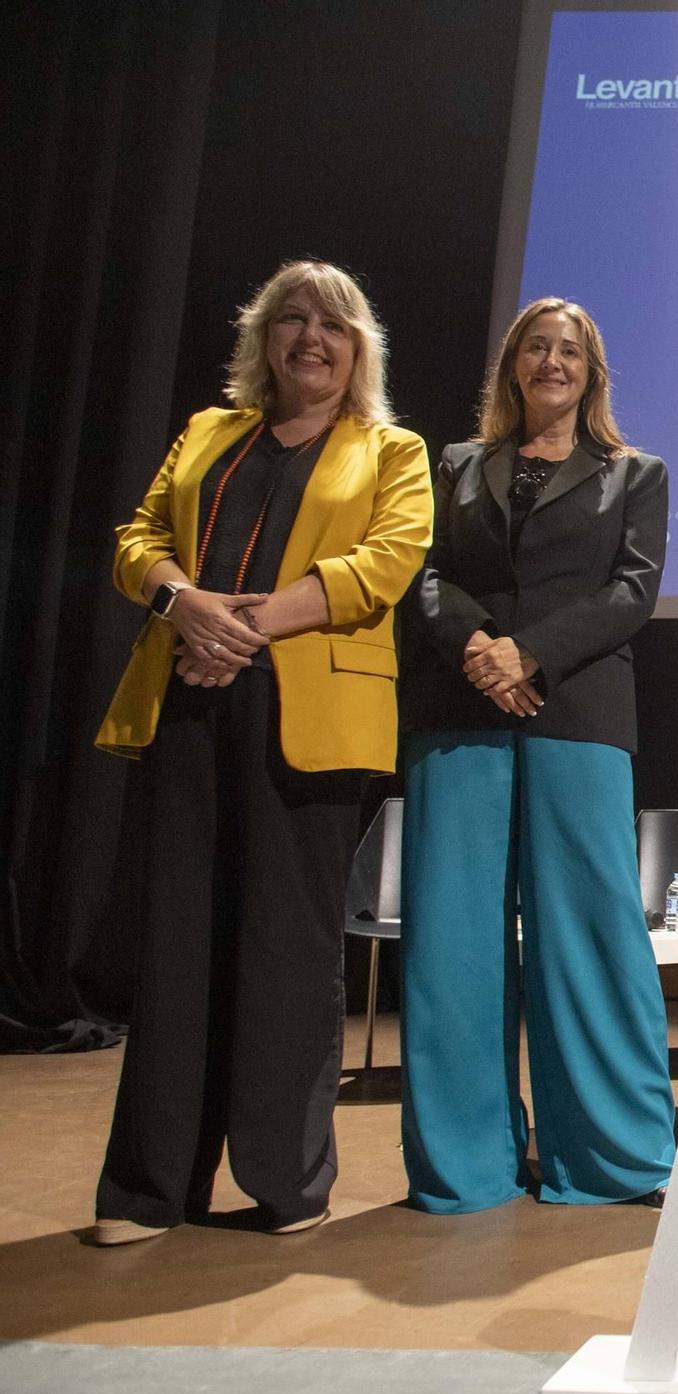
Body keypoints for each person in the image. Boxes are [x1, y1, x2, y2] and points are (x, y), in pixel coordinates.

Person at [91, 260, 432, 1244]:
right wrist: (183, 603)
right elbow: (138, 538)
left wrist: (246, 625)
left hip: (310, 724)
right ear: (262, 340)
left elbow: (386, 562)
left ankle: (288, 1182)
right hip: (189, 706)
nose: (309, 338)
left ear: (356, 346)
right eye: (291, 320)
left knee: (289, 953)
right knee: (175, 946)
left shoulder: (391, 449)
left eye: (330, 324)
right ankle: (149, 1188)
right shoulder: (208, 434)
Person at [396, 298, 675, 1212]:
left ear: (592, 373)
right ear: (512, 364)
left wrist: (532, 655)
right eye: (536, 346)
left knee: (590, 936)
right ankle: (466, 1167)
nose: (552, 361)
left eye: (571, 351)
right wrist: (481, 647)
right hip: (458, 706)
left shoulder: (634, 473)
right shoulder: (454, 464)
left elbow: (632, 592)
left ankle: (611, 1158)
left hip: (578, 713)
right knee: (454, 942)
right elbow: (421, 572)